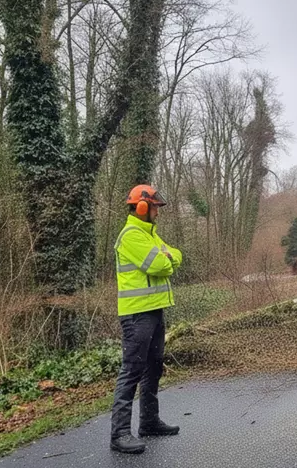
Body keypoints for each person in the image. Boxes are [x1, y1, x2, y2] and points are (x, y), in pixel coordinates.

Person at [109, 184, 183, 454]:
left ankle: (149, 422)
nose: (157, 213)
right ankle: (119, 434)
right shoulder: (131, 236)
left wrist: (168, 257)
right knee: (132, 371)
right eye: (155, 207)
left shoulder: (150, 235)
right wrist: (167, 258)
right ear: (142, 208)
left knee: (154, 367)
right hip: (137, 313)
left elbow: (176, 255)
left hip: (154, 309)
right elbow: (161, 264)